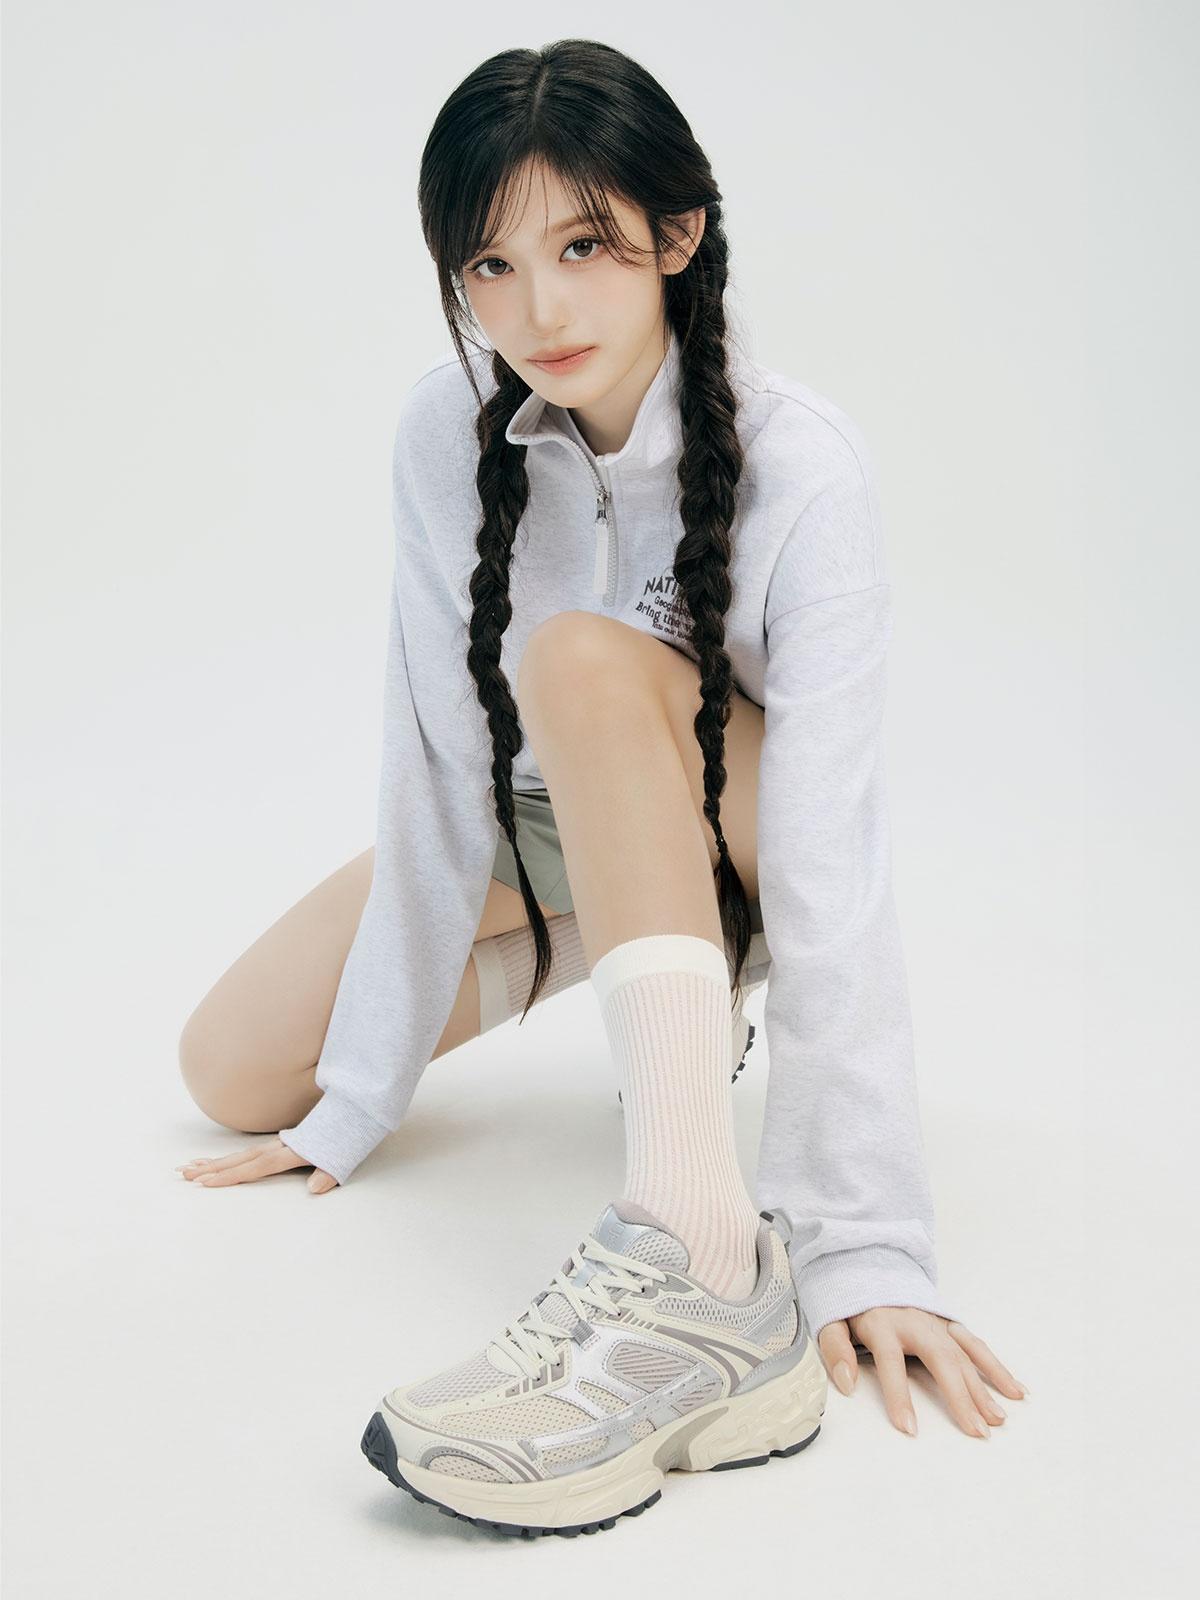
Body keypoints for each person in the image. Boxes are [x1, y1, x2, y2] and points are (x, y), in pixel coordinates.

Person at [175, 38, 1026, 1536]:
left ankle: (699, 1255)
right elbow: (436, 767)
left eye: (582, 247)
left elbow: (832, 859)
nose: (538, 310)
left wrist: (865, 1243)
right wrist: (359, 1098)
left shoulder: (807, 465)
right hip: (541, 827)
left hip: (740, 829)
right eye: (490, 267)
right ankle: (609, 949)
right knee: (235, 1073)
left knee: (576, 656)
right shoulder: (443, 432)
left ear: (677, 234)